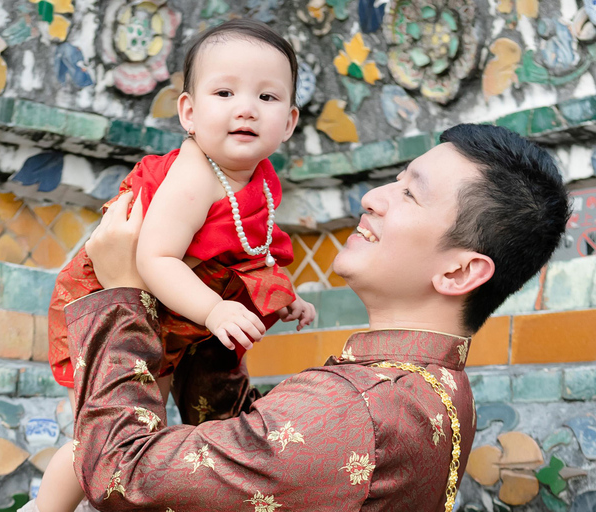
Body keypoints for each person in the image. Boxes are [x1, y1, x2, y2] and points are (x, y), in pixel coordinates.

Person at [60, 123, 570, 511]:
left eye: (410, 193)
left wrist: (122, 297)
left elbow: (122, 471)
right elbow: (246, 456)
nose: (373, 198)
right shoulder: (431, 388)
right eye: (394, 180)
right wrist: (209, 311)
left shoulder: (355, 409)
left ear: (459, 272)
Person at [32, 19, 316, 512]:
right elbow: (154, 257)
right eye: (224, 92)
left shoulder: (259, 177)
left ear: (289, 122)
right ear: (188, 111)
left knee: (147, 426)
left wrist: (281, 293)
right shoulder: (194, 176)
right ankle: (44, 508)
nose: (246, 108)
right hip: (130, 300)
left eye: (267, 98)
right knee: (117, 426)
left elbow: (250, 247)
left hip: (172, 313)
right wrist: (215, 312)